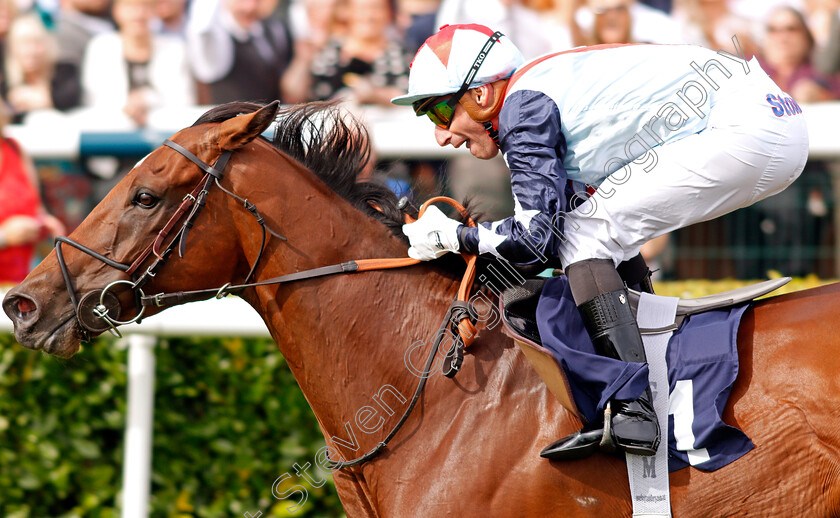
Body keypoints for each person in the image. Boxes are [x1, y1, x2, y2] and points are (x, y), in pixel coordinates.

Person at [393, 24, 808, 459]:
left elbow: (538, 244)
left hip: (748, 125)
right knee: (590, 226)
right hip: (767, 116)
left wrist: (453, 235)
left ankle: (634, 408)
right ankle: (650, 365)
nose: (441, 136)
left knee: (586, 233)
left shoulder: (524, 105)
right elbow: (548, 230)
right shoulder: (539, 91)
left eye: (441, 113)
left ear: (482, 95)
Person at [0, 103, 65, 284]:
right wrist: (4, 237)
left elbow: (37, 209)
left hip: (21, 281)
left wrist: (45, 222)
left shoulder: (13, 147)